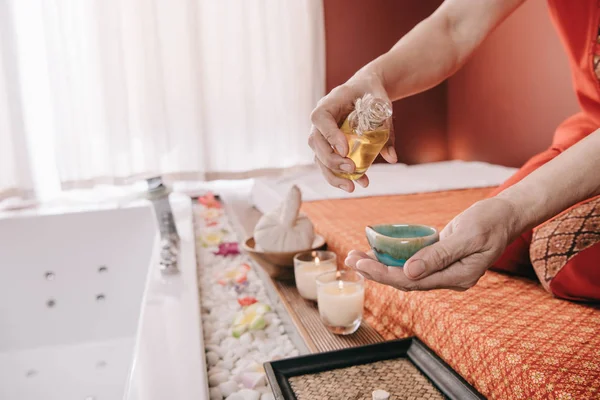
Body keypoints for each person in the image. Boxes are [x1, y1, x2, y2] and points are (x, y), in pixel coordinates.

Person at [308, 0, 600, 300]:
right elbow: (454, 25)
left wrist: (512, 210)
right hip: (587, 135)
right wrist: (372, 78)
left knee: (558, 256)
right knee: (497, 247)